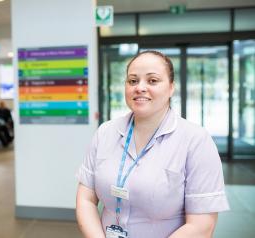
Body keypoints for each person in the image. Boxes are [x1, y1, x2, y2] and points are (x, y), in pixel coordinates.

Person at [76, 51, 229, 238]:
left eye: (152, 81)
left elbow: (202, 226)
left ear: (171, 88)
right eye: (132, 81)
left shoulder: (196, 141)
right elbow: (86, 199)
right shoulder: (105, 133)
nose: (140, 87)